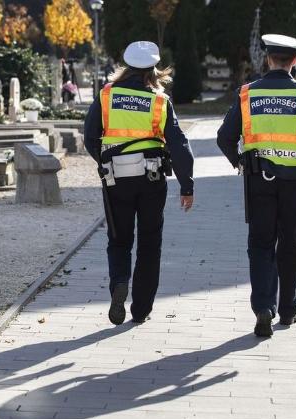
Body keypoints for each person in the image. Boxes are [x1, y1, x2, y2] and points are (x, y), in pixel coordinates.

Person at [216, 34, 296, 338]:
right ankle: (287, 308)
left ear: (267, 59)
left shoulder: (248, 95)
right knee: (290, 245)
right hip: (295, 185)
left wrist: (240, 162)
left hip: (258, 181)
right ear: (295, 61)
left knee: (260, 244)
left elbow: (224, 137)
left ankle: (263, 307)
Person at [84, 41, 195, 326]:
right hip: (151, 177)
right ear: (154, 70)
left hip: (116, 178)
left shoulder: (106, 95)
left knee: (119, 239)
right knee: (149, 242)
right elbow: (179, 145)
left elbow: (89, 136)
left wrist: (104, 161)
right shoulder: (160, 101)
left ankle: (120, 282)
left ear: (127, 66)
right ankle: (141, 308)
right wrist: (187, 185)